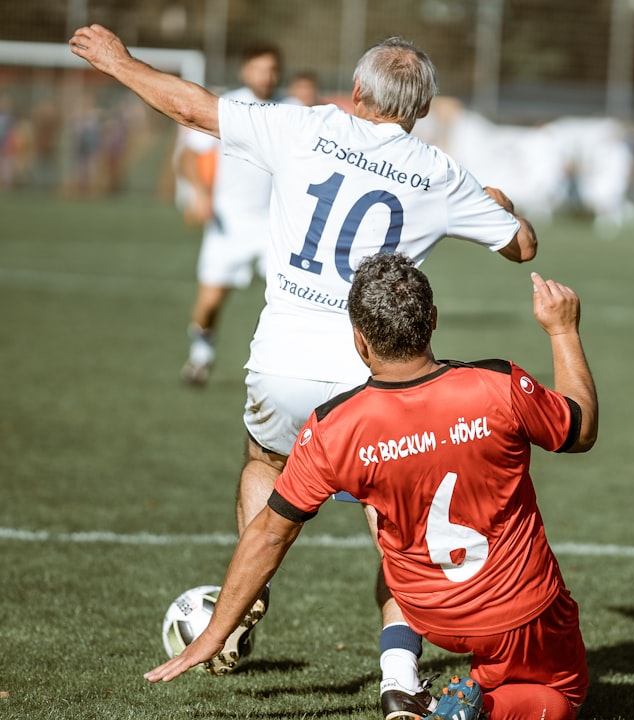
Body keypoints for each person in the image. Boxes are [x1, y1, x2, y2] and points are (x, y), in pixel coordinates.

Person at [70, 24, 538, 717]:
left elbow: (193, 108)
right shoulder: (441, 173)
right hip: (372, 374)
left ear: (355, 91)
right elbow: (523, 247)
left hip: (282, 362)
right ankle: (400, 682)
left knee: (264, 459)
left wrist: (120, 61)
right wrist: (496, 206)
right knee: (396, 524)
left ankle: (250, 591)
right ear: (424, 108)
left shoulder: (305, 128)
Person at [145, 253, 598, 720]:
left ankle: (451, 689)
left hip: (430, 616)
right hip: (524, 610)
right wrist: (563, 330)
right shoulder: (496, 386)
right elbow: (580, 431)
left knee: (495, 671)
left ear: (360, 342)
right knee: (563, 694)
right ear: (434, 320)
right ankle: (476, 711)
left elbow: (269, 533)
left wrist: (216, 633)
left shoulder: (332, 429)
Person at [177, 42, 292, 386]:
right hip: (229, 223)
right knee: (210, 301)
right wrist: (200, 194)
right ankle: (201, 355)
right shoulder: (228, 107)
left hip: (276, 228)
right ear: (245, 71)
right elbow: (188, 155)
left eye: (272, 69)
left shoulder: (294, 109)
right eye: (259, 68)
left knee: (286, 299)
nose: (266, 76)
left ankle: (272, 368)